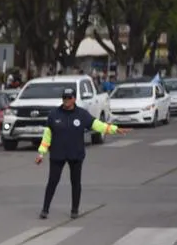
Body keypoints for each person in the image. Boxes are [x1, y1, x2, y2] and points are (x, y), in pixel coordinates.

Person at [35, 86, 128, 219]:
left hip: (76, 154)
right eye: (64, 98)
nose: (66, 100)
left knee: (76, 182)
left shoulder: (82, 114)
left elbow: (97, 125)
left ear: (74, 99)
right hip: (57, 154)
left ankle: (75, 209)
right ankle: (45, 209)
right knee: (52, 182)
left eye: (69, 98)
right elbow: (47, 136)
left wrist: (114, 129)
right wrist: (41, 153)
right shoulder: (54, 114)